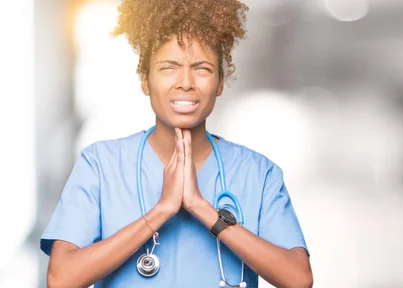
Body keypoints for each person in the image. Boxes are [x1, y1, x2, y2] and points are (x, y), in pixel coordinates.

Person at [40, 0, 312, 287]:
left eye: (202, 69)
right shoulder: (100, 165)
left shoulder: (258, 173)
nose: (185, 82)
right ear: (145, 79)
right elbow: (62, 279)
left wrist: (202, 209)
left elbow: (298, 278)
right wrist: (161, 211)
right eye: (169, 68)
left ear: (220, 81)